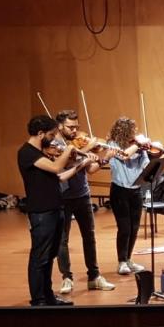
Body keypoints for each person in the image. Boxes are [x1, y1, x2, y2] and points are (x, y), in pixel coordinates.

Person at [54, 110, 115, 294]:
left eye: (76, 127)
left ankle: (94, 277)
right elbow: (62, 164)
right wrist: (88, 148)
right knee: (61, 240)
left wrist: (105, 156)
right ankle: (66, 278)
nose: (74, 131)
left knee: (89, 237)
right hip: (62, 197)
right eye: (70, 127)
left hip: (82, 194)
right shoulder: (54, 145)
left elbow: (91, 170)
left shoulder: (80, 142)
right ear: (59, 126)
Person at [18, 115, 76, 306]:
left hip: (54, 208)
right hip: (41, 212)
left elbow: (58, 175)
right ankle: (38, 299)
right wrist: (69, 149)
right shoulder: (27, 153)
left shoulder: (40, 153)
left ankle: (48, 295)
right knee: (39, 257)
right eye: (51, 134)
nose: (53, 139)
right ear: (40, 133)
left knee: (50, 255)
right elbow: (55, 166)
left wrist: (79, 165)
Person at [107, 117, 155, 276]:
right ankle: (121, 261)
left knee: (134, 228)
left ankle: (128, 259)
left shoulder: (137, 148)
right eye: (132, 132)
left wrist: (147, 151)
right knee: (125, 227)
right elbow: (124, 156)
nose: (134, 135)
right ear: (124, 133)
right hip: (119, 191)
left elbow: (145, 166)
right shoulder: (112, 145)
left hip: (135, 190)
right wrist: (138, 144)